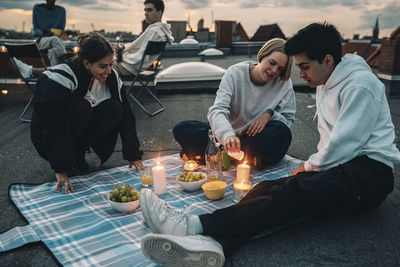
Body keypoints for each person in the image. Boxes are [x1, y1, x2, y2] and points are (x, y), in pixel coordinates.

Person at [138, 22, 400, 267]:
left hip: (368, 176)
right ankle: (219, 245)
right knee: (266, 187)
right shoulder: (325, 82)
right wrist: (311, 169)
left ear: (328, 60)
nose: (300, 74)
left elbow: (345, 143)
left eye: (305, 66)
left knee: (291, 194)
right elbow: (332, 145)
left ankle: (191, 225)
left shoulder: (360, 85)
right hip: (342, 167)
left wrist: (308, 168)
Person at [31, 33, 146, 194]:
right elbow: (53, 124)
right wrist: (60, 168)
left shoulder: (112, 77)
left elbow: (126, 115)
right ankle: (67, 159)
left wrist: (134, 155)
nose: (108, 71)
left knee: (116, 108)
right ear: (86, 63)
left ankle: (78, 154)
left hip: (77, 130)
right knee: (83, 107)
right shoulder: (59, 78)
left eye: (111, 64)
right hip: (47, 136)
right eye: (103, 66)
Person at [173, 38, 295, 169]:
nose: (274, 71)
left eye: (280, 69)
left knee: (283, 133)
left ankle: (216, 155)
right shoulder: (235, 73)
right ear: (263, 55)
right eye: (272, 63)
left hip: (253, 137)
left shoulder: (284, 83)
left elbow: (288, 121)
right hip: (226, 136)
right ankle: (247, 157)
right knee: (183, 129)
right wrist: (228, 135)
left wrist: (270, 114)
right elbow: (217, 110)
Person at [112, 0, 174, 76]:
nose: (145, 14)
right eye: (145, 10)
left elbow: (141, 57)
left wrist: (122, 56)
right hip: (133, 68)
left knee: (100, 67)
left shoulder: (154, 31)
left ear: (159, 13)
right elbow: (140, 49)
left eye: (149, 10)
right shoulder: (161, 30)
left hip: (127, 68)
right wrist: (123, 48)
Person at [33, 0, 67, 66]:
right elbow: (36, 29)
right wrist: (42, 33)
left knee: (53, 51)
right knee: (55, 39)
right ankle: (64, 58)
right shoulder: (37, 8)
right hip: (41, 40)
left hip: (55, 42)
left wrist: (49, 31)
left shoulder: (61, 11)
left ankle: (54, 72)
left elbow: (61, 31)